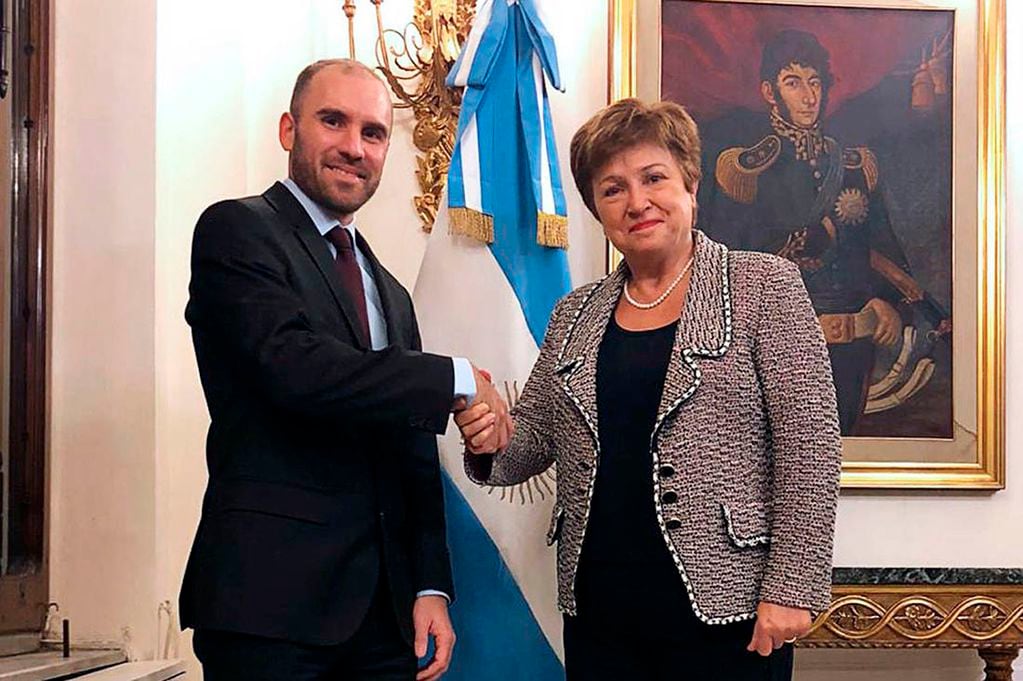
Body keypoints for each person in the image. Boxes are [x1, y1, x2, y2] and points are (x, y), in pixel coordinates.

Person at [455, 98, 842, 680]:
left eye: (653, 178)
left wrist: (793, 584)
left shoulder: (766, 286)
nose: (636, 202)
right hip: (600, 610)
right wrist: (489, 432)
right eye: (612, 189)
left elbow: (809, 447)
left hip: (727, 610)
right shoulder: (575, 313)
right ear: (598, 210)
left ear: (689, 185)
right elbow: (529, 443)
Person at [179, 59, 510, 681]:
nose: (354, 148)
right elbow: (295, 370)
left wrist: (430, 584)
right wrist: (458, 379)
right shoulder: (237, 230)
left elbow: (411, 449)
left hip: (383, 623)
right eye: (333, 121)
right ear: (288, 129)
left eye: (374, 132)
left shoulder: (390, 291)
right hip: (267, 612)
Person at [699, 29, 946, 434]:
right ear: (769, 90)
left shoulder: (853, 166)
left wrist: (888, 305)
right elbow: (726, 263)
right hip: (777, 348)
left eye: (814, 82)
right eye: (793, 83)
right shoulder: (746, 170)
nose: (809, 96)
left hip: (851, 347)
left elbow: (880, 249)